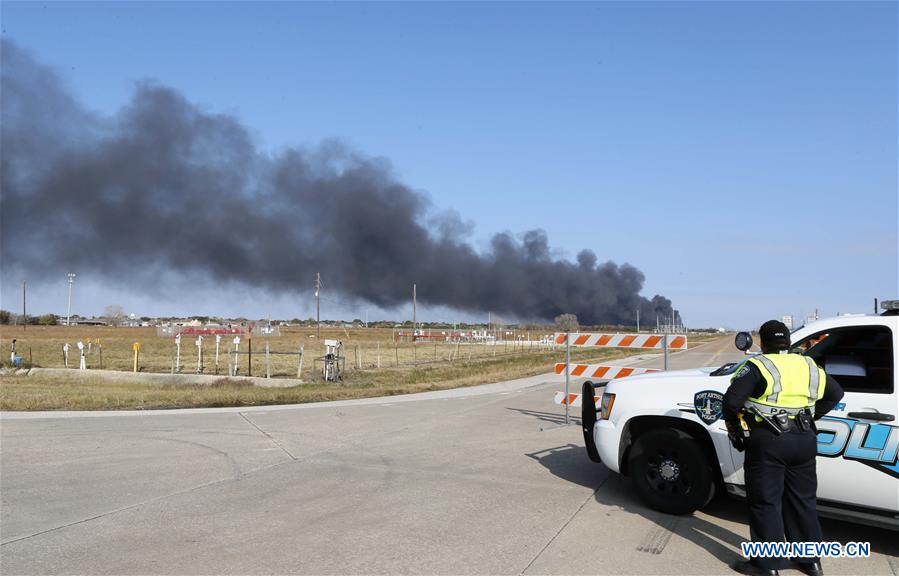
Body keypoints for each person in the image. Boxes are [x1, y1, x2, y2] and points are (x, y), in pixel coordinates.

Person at [724, 320, 844, 576]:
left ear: (763, 343)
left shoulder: (758, 365)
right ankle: (809, 561)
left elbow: (731, 402)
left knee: (766, 502)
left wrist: (736, 431)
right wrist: (808, 416)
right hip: (804, 440)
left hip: (769, 440)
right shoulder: (809, 364)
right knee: (803, 501)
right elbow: (836, 393)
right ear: (788, 342)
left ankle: (767, 565)